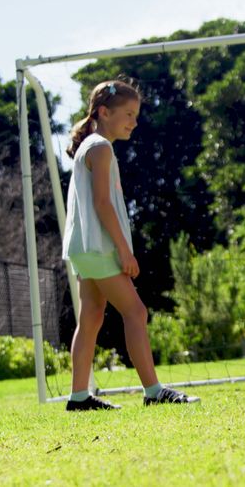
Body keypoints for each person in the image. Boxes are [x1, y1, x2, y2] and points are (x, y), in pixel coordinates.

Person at [62, 79, 199, 410]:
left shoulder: (90, 146)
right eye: (128, 114)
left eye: (136, 115)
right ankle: (154, 391)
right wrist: (124, 250)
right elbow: (102, 204)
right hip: (99, 248)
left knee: (92, 317)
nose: (134, 122)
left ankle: (79, 397)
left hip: (83, 249)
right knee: (136, 312)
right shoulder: (100, 147)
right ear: (104, 112)